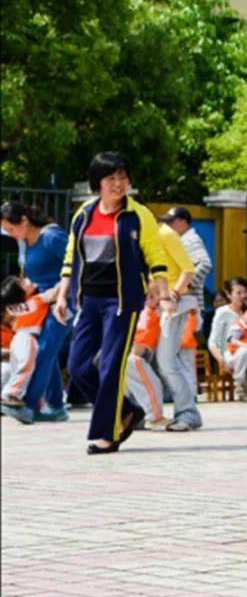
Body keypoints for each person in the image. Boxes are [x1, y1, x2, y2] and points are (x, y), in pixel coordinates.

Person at [52, 151, 171, 454]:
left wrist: (162, 291)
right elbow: (71, 258)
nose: (119, 184)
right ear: (98, 183)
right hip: (89, 299)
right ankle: (126, 410)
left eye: (123, 177)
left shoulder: (138, 214)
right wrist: (63, 294)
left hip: (122, 301)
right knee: (78, 368)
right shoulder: (84, 214)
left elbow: (155, 255)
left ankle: (108, 435)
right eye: (111, 178)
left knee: (111, 367)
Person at [1, 202, 72, 422]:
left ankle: (28, 406)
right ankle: (55, 407)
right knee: (45, 352)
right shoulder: (25, 243)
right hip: (42, 303)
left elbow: (78, 266)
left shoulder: (51, 236)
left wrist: (59, 292)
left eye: (11, 229)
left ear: (24, 221)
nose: (11, 235)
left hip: (62, 302)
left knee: (44, 350)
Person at [154, 220, 201, 432]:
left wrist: (172, 295)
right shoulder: (145, 237)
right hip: (151, 306)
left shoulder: (165, 234)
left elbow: (188, 269)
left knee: (166, 361)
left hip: (172, 307)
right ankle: (140, 412)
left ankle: (188, 413)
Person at [0, 277, 51, 421]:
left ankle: (11, 396)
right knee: (22, 369)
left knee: (21, 369)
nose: (26, 280)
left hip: (19, 341)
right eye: (22, 283)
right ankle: (11, 395)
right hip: (26, 339)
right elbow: (52, 293)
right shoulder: (35, 301)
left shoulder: (17, 308)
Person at [123, 290, 170, 429]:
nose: (151, 298)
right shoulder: (146, 313)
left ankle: (127, 419)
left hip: (129, 357)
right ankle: (154, 417)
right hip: (134, 357)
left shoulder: (149, 312)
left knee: (129, 390)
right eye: (148, 295)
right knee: (152, 385)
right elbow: (139, 338)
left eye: (154, 294)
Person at [207, 277, 247, 373]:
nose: (243, 296)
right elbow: (212, 342)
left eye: (245, 292)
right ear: (229, 295)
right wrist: (221, 360)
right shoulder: (222, 312)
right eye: (238, 293)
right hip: (231, 358)